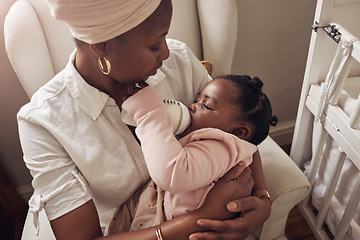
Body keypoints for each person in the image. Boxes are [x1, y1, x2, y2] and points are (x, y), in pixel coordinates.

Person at [17, 0, 271, 239]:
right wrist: (199, 219)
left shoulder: (179, 61)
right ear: (100, 45)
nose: (166, 53)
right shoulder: (42, 123)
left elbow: (233, 129)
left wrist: (262, 199)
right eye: (155, 45)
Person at [111, 75, 276, 231]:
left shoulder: (222, 147)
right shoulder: (220, 145)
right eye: (197, 99)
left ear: (238, 132)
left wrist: (149, 115)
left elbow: (173, 173)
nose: (192, 106)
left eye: (206, 105)